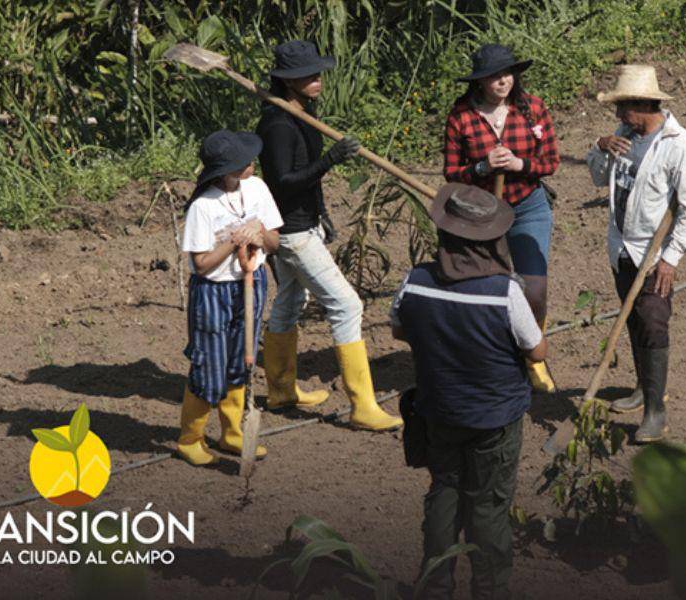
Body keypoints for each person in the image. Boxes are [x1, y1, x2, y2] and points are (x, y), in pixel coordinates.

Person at [391, 183, 546, 599]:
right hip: (494, 420)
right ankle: (489, 589)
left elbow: (400, 328)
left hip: (439, 412)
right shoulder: (504, 292)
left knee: (444, 494)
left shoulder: (416, 281)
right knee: (488, 508)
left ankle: (436, 584)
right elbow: (536, 349)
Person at [256, 40, 401, 431]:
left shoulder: (300, 113)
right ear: (288, 82)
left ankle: (281, 389)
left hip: (304, 223)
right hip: (291, 232)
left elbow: (303, 179)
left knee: (289, 299)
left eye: (318, 73)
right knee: (347, 306)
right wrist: (331, 161)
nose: (317, 79)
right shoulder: (278, 125)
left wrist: (321, 212)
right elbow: (283, 183)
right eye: (307, 75)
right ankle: (363, 406)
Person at [585, 65, 686, 443]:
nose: (619, 117)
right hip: (620, 246)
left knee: (653, 322)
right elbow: (598, 178)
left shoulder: (677, 145)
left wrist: (670, 258)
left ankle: (656, 410)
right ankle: (641, 388)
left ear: (645, 104)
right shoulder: (622, 134)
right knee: (632, 318)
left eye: (625, 108)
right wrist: (600, 147)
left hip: (652, 255)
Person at [443, 43, 560, 394]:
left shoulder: (533, 108)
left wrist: (520, 165)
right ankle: (491, 356)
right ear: (479, 81)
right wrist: (481, 167)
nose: (502, 81)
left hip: (528, 205)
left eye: (507, 73)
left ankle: (532, 354)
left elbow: (551, 162)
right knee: (487, 286)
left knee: (534, 289)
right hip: (481, 211)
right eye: (493, 76)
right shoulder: (461, 115)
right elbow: (451, 172)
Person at [177, 130, 282, 466]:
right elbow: (202, 265)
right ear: (225, 171)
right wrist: (235, 240)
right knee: (209, 362)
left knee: (242, 358)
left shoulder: (258, 188)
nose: (251, 164)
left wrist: (260, 234)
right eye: (242, 162)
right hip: (213, 292)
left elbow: (276, 243)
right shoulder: (203, 207)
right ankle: (190, 439)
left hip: (252, 281)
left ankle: (232, 432)